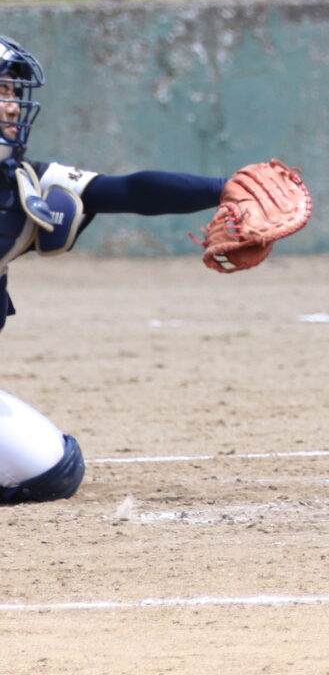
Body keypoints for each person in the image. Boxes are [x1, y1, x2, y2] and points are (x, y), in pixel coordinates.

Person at [0, 36, 277, 505]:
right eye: (2, 91)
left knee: (51, 469)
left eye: (11, 92)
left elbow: (128, 191)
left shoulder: (19, 185)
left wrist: (227, 190)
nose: (12, 106)